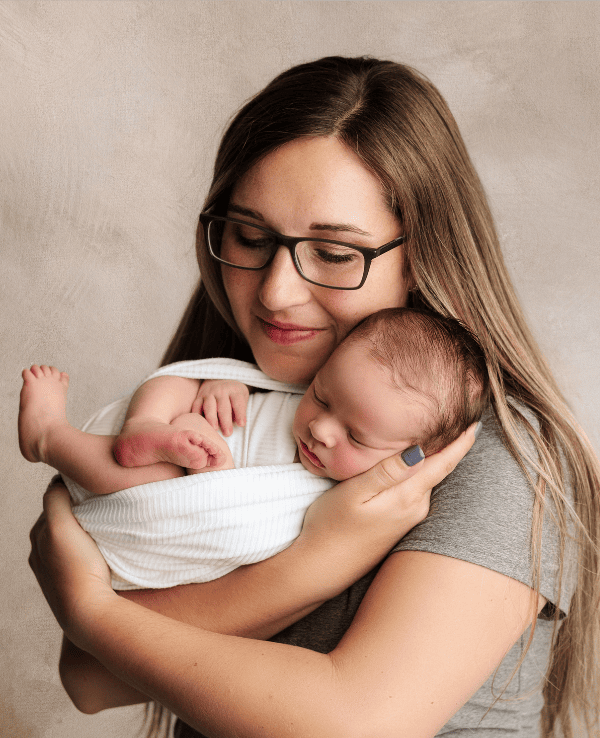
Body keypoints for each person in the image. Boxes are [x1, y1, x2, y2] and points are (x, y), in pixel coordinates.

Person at [28, 56, 600, 738]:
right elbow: (91, 679)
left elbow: (352, 723)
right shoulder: (232, 406)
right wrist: (310, 558)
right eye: (251, 236)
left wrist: (94, 611)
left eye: (334, 253)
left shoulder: (495, 457)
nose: (275, 291)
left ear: (425, 254)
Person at [19, 308, 489, 589]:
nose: (322, 429)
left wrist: (210, 473)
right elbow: (264, 392)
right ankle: (143, 427)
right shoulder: (307, 398)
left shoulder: (335, 500)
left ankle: (48, 436)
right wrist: (228, 386)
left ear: (409, 459)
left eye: (357, 437)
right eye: (322, 395)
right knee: (183, 380)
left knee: (155, 477)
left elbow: (232, 532)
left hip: (168, 495)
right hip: (154, 432)